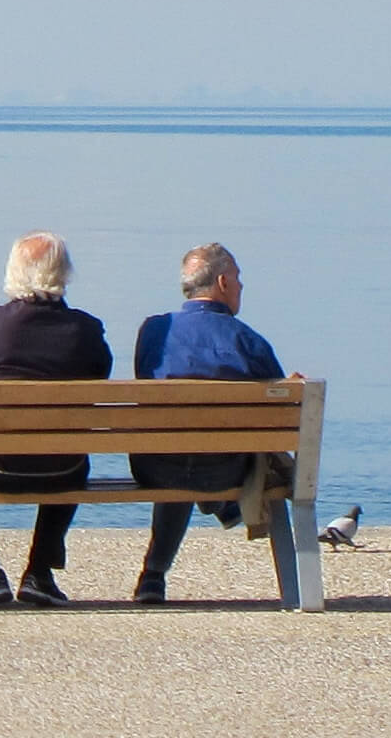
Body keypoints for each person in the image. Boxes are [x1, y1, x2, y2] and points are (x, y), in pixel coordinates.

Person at [0, 231, 110, 608]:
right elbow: (100, 377)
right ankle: (40, 573)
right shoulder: (87, 330)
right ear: (64, 272)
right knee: (71, 452)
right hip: (63, 469)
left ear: (14, 272)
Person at [127, 240, 289, 604]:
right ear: (223, 283)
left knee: (179, 445)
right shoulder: (247, 340)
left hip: (156, 467)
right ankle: (219, 505)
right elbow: (276, 409)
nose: (242, 286)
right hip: (224, 472)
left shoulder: (154, 331)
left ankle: (153, 576)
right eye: (238, 277)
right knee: (203, 452)